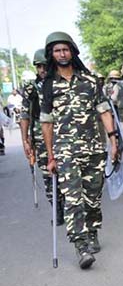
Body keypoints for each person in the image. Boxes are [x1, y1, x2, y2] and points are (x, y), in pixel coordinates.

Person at [40, 31, 118, 269]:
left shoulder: (91, 82)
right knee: (74, 200)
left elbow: (104, 110)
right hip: (65, 152)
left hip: (93, 148)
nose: (61, 54)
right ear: (51, 55)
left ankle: (92, 231)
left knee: (93, 198)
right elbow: (46, 122)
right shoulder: (48, 86)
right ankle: (81, 247)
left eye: (65, 49)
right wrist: (50, 156)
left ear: (72, 51)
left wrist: (113, 141)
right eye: (57, 50)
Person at [20, 48, 64, 224]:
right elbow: (25, 115)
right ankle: (57, 210)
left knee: (67, 174)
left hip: (63, 135)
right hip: (40, 136)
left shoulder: (60, 83)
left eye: (45, 66)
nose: (42, 70)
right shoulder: (31, 89)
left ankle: (70, 208)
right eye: (39, 67)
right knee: (48, 175)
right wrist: (25, 140)